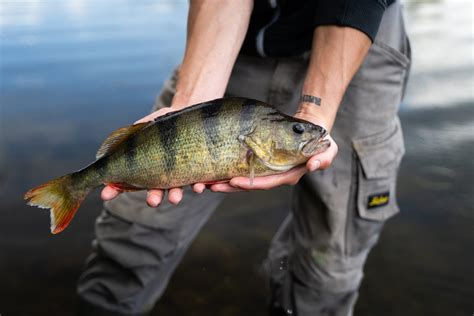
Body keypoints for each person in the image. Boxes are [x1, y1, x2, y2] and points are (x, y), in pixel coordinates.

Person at [77, 0, 411, 315]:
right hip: (236, 40)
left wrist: (313, 113)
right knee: (133, 234)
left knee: (331, 258)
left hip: (362, 38)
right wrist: (194, 100)